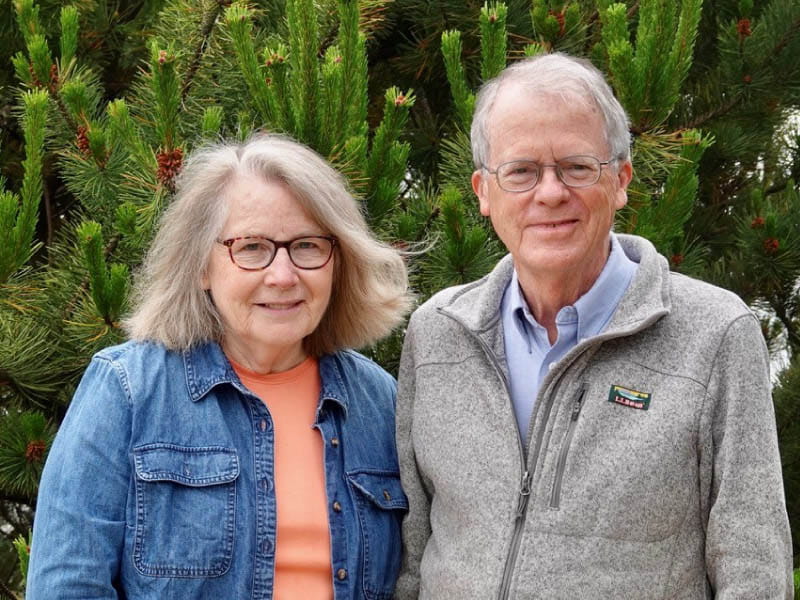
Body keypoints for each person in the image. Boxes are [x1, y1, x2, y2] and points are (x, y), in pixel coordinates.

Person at [394, 53, 792, 599]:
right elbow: (413, 554)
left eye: (578, 167)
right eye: (521, 171)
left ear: (622, 180)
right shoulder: (437, 332)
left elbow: (753, 565)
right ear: (484, 191)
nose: (551, 192)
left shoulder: (716, 334)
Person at [27, 134, 412, 599]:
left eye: (308, 246)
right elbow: (67, 587)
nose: (284, 275)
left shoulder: (379, 401)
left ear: (339, 259)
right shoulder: (127, 391)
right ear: (202, 266)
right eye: (251, 247)